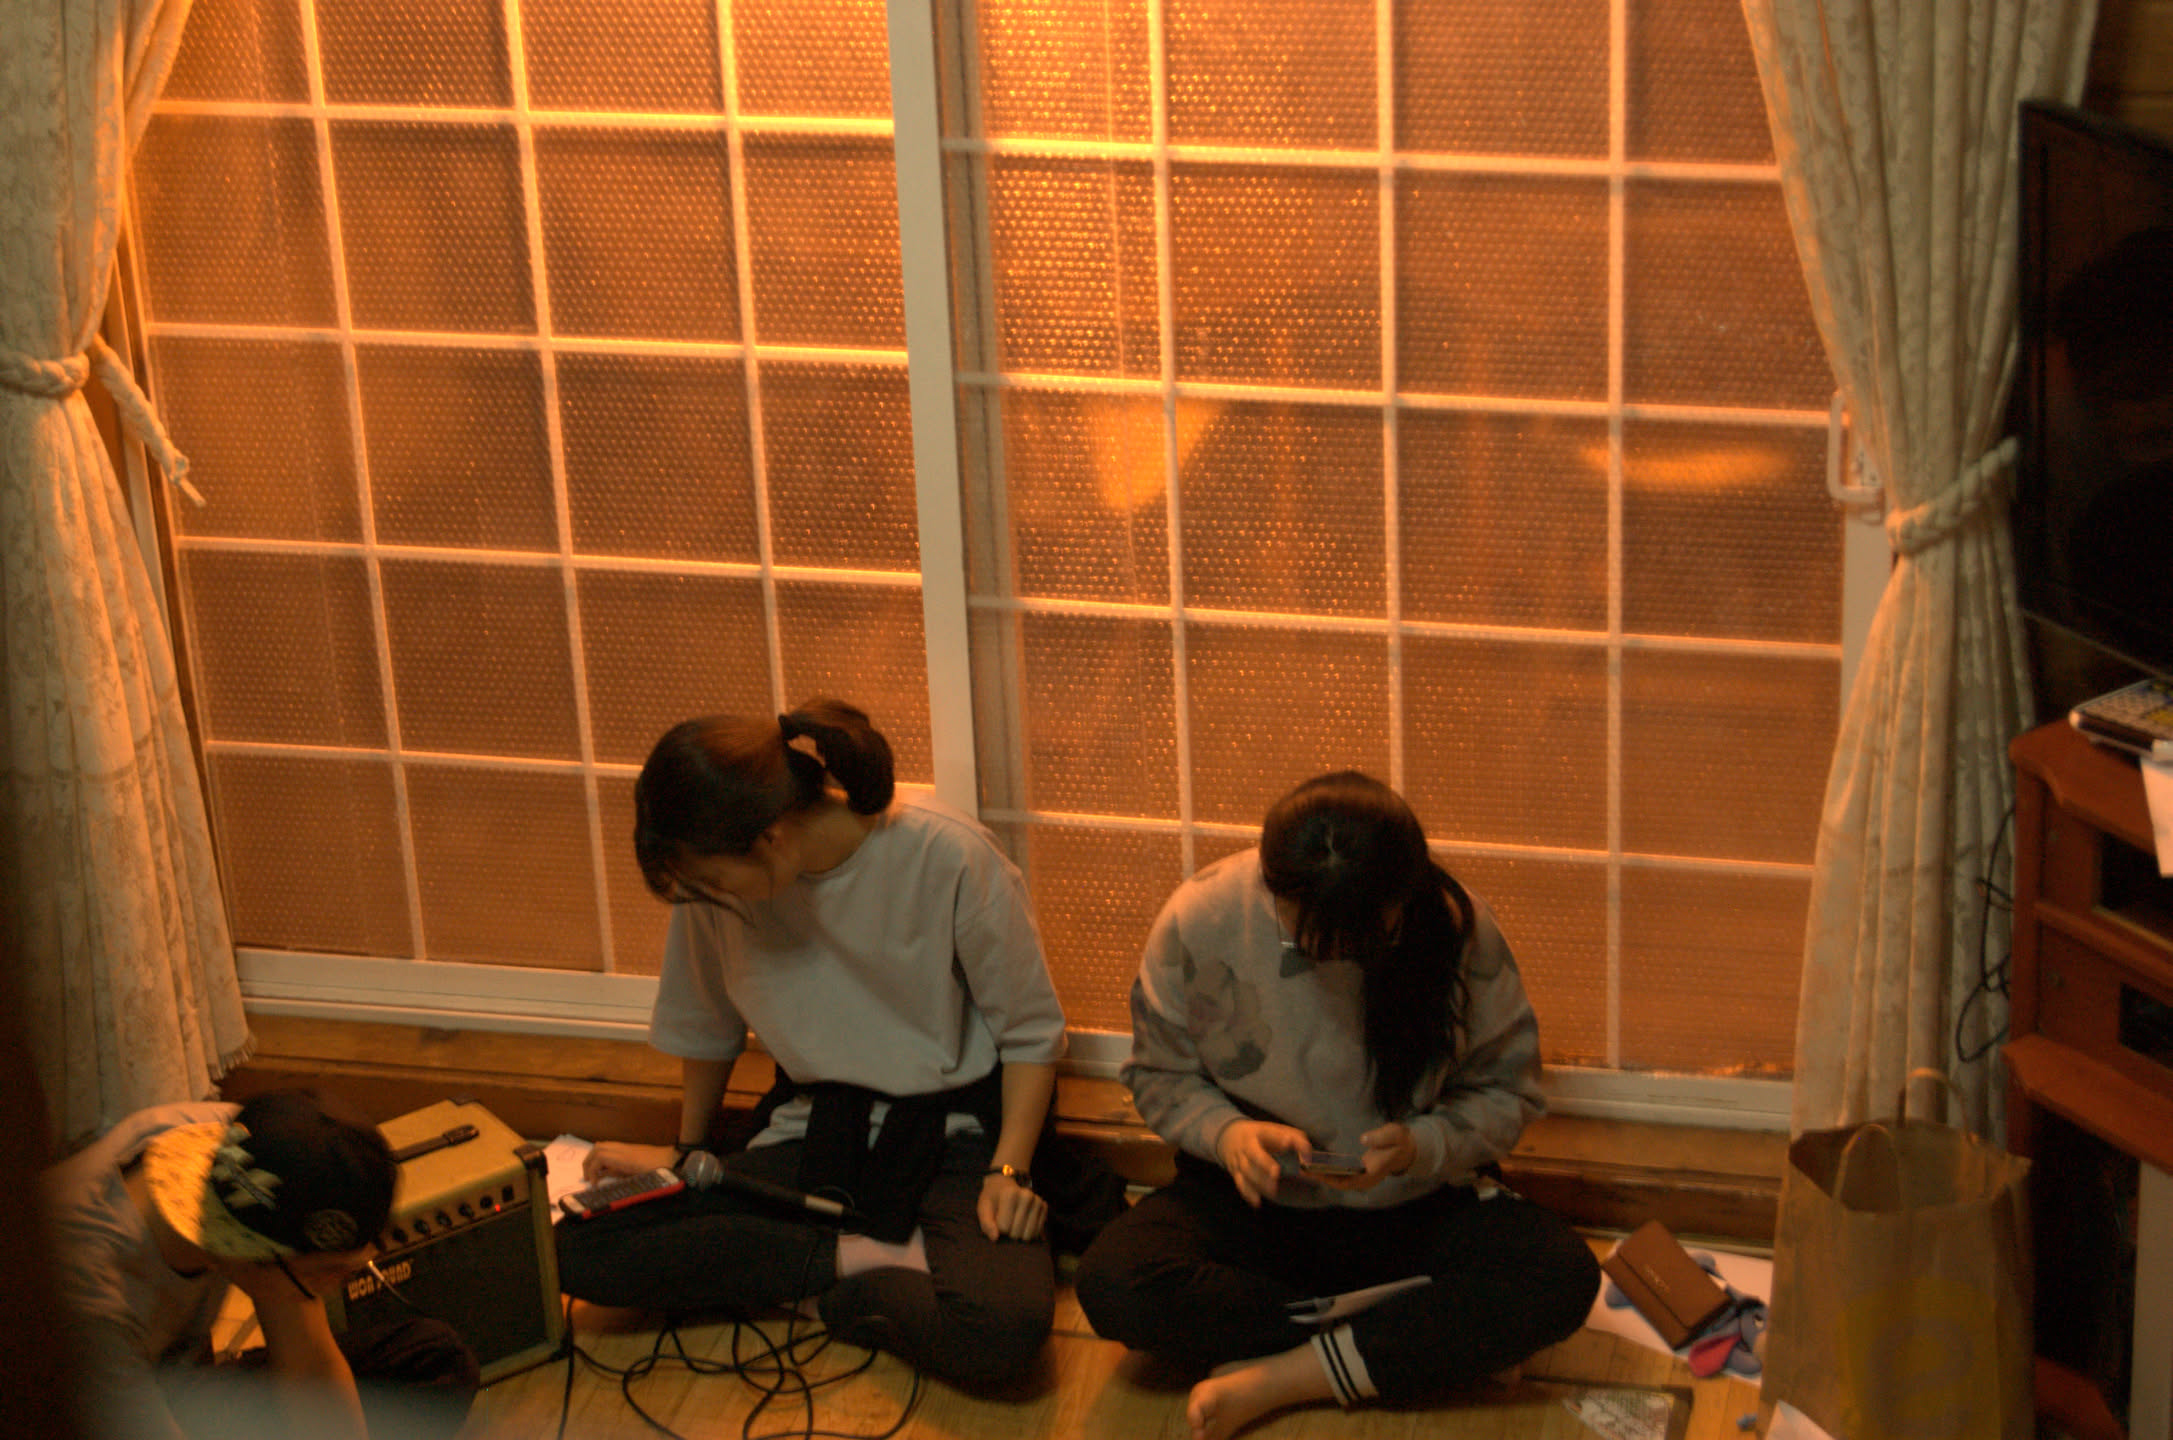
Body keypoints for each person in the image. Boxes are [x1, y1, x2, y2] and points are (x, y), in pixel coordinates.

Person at [557, 698, 1068, 1389]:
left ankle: (803, 1283)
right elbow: (706, 1025)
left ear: (769, 839)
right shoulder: (719, 893)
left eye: (713, 879)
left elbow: (1031, 1035)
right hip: (818, 1129)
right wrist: (687, 1155)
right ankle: (868, 1259)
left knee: (1002, 1328)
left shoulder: (945, 853)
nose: (705, 895)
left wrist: (1009, 1171)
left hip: (952, 1135)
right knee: (577, 1247)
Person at [1074, 771, 1600, 1440]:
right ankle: (1408, 1343)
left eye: (1359, 937)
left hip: (1413, 1205)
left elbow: (1508, 1089)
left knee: (1561, 1277)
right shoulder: (1201, 917)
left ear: (1402, 900)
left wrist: (1422, 1146)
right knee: (1113, 1284)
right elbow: (1158, 1075)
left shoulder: (1456, 927)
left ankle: (1289, 1375)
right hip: (1254, 1204)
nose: (1332, 956)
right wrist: (1228, 1135)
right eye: (1310, 936)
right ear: (1272, 889)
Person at [41, 1087, 479, 1440]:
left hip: (171, 1385)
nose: (330, 1289)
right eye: (318, 1277)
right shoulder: (89, 1293)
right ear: (250, 1252)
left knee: (436, 1359)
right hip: (76, 1415)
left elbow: (310, 1366)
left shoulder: (247, 1149)